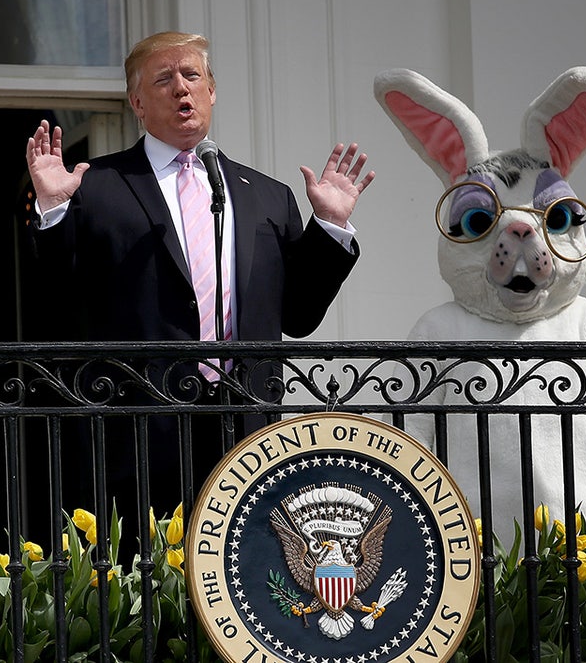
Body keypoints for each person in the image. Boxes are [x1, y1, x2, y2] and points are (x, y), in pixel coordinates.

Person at [24, 31, 375, 542]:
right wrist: (54, 211)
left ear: (212, 91)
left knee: (241, 584)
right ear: (137, 102)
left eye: (192, 76)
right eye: (163, 80)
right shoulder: (95, 185)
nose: (181, 89)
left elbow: (298, 316)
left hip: (247, 429)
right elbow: (55, 300)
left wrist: (329, 229)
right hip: (138, 430)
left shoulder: (268, 196)